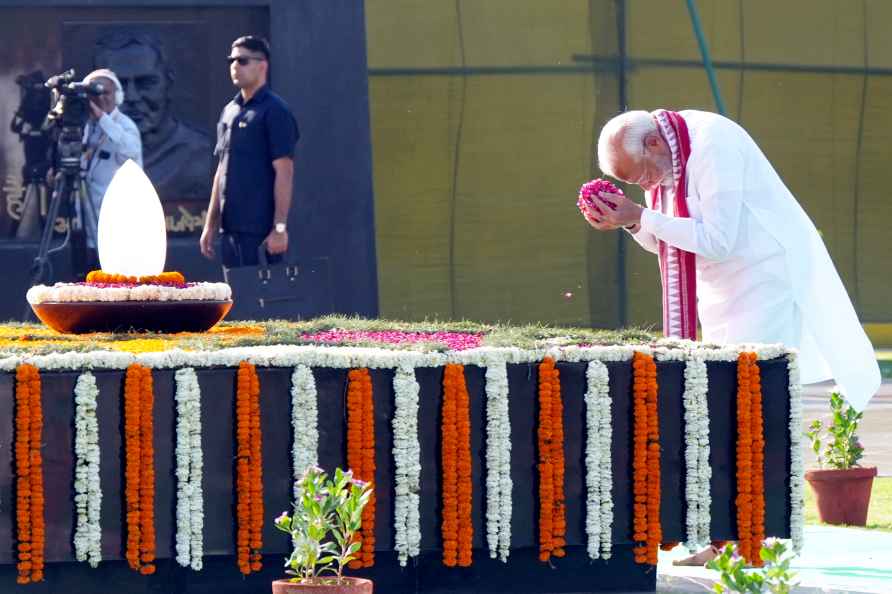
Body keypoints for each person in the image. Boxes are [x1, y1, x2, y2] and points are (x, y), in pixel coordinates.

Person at [589, 109, 881, 564]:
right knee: (719, 409)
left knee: (749, 409)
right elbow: (669, 240)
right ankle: (727, 534)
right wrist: (630, 221)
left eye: (644, 175)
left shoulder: (711, 142)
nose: (647, 186)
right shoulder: (670, 151)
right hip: (720, 289)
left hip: (765, 280)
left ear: (652, 145)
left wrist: (642, 214)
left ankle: (752, 536)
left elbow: (718, 239)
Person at [200, 35, 298, 268]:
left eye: (242, 60)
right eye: (231, 60)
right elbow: (221, 171)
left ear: (262, 65)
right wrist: (210, 225)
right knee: (236, 299)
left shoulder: (275, 111)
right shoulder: (229, 111)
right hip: (230, 229)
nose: (235, 66)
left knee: (266, 300)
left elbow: (285, 172)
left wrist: (279, 228)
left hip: (261, 232)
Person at [94, 31, 213, 203]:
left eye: (146, 83)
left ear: (168, 84)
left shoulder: (201, 157)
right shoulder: (86, 150)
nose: (132, 97)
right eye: (119, 85)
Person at [81, 68, 143, 266]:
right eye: (95, 93)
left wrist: (102, 118)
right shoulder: (87, 127)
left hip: (117, 223)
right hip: (89, 220)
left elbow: (130, 150)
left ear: (118, 96)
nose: (100, 98)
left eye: (105, 92)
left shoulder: (125, 125)